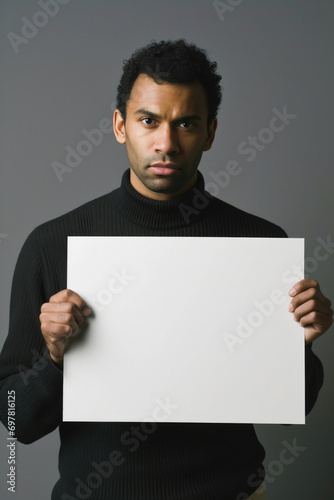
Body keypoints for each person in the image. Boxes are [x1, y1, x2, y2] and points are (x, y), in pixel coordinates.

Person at [0, 39, 332, 500]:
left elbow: (291, 407)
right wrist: (55, 359)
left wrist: (298, 348)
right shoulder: (53, 244)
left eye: (187, 124)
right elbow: (17, 421)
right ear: (120, 126)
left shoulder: (261, 244)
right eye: (148, 121)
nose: (166, 144)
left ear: (211, 133)